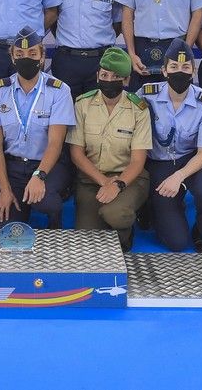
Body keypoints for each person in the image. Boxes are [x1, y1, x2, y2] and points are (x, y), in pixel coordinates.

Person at [0, 26, 75, 228]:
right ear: (12, 58)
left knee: (48, 202)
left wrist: (39, 176)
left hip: (48, 166)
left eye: (32, 53)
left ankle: (54, 219)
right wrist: (4, 189)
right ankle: (13, 196)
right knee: (4, 227)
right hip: (12, 166)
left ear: (42, 57)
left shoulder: (59, 91)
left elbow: (55, 143)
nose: (26, 58)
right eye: (20, 54)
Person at [137, 39, 202, 252]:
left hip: (190, 160)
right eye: (173, 67)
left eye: (186, 67)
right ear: (164, 70)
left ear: (193, 70)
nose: (179, 71)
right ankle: (154, 207)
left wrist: (179, 176)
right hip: (157, 162)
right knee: (176, 242)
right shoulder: (146, 94)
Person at [68, 47, 152, 251]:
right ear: (97, 75)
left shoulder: (138, 109)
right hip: (91, 179)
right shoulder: (82, 104)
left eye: (116, 76)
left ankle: (125, 231)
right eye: (104, 75)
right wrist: (105, 182)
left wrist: (117, 184)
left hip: (128, 179)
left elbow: (138, 161)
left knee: (117, 215)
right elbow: (77, 154)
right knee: (86, 241)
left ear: (126, 80)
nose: (108, 80)